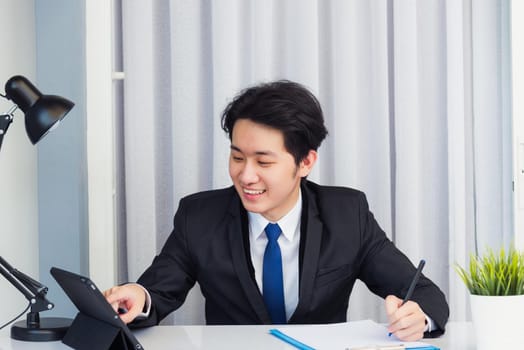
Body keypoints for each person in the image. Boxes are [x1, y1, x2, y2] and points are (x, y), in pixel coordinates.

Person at [104, 80, 449, 341]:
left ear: (306, 161)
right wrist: (137, 296)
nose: (245, 175)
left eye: (263, 161)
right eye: (237, 157)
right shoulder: (199, 216)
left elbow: (424, 294)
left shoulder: (347, 214)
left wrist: (419, 317)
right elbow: (157, 292)